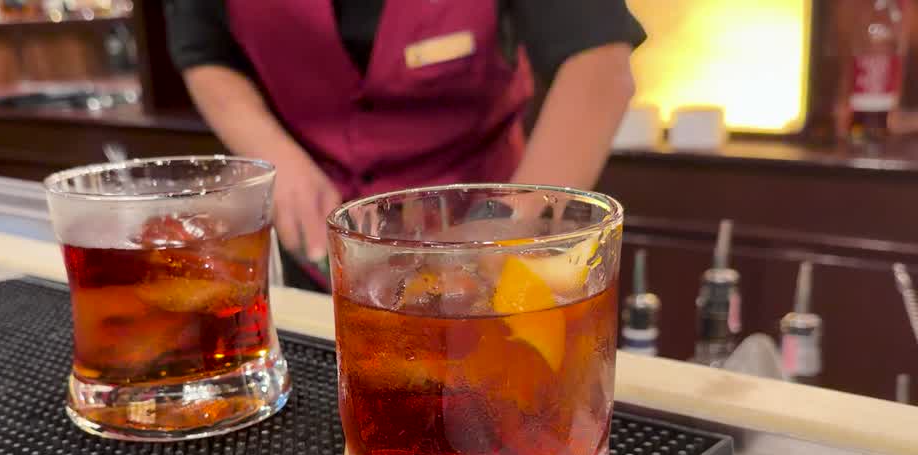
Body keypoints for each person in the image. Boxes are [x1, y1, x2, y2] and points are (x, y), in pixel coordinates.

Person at [165, 0, 645, 288]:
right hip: (314, 248)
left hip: (485, 230)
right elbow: (204, 51)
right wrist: (276, 158)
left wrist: (507, 230)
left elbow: (598, 65)